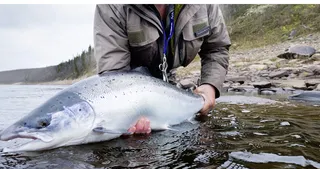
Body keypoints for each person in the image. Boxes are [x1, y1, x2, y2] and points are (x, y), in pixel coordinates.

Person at [93, 4, 231, 134]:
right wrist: (123, 118)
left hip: (168, 78)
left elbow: (216, 48)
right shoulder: (111, 6)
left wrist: (210, 86)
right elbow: (115, 78)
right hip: (133, 85)